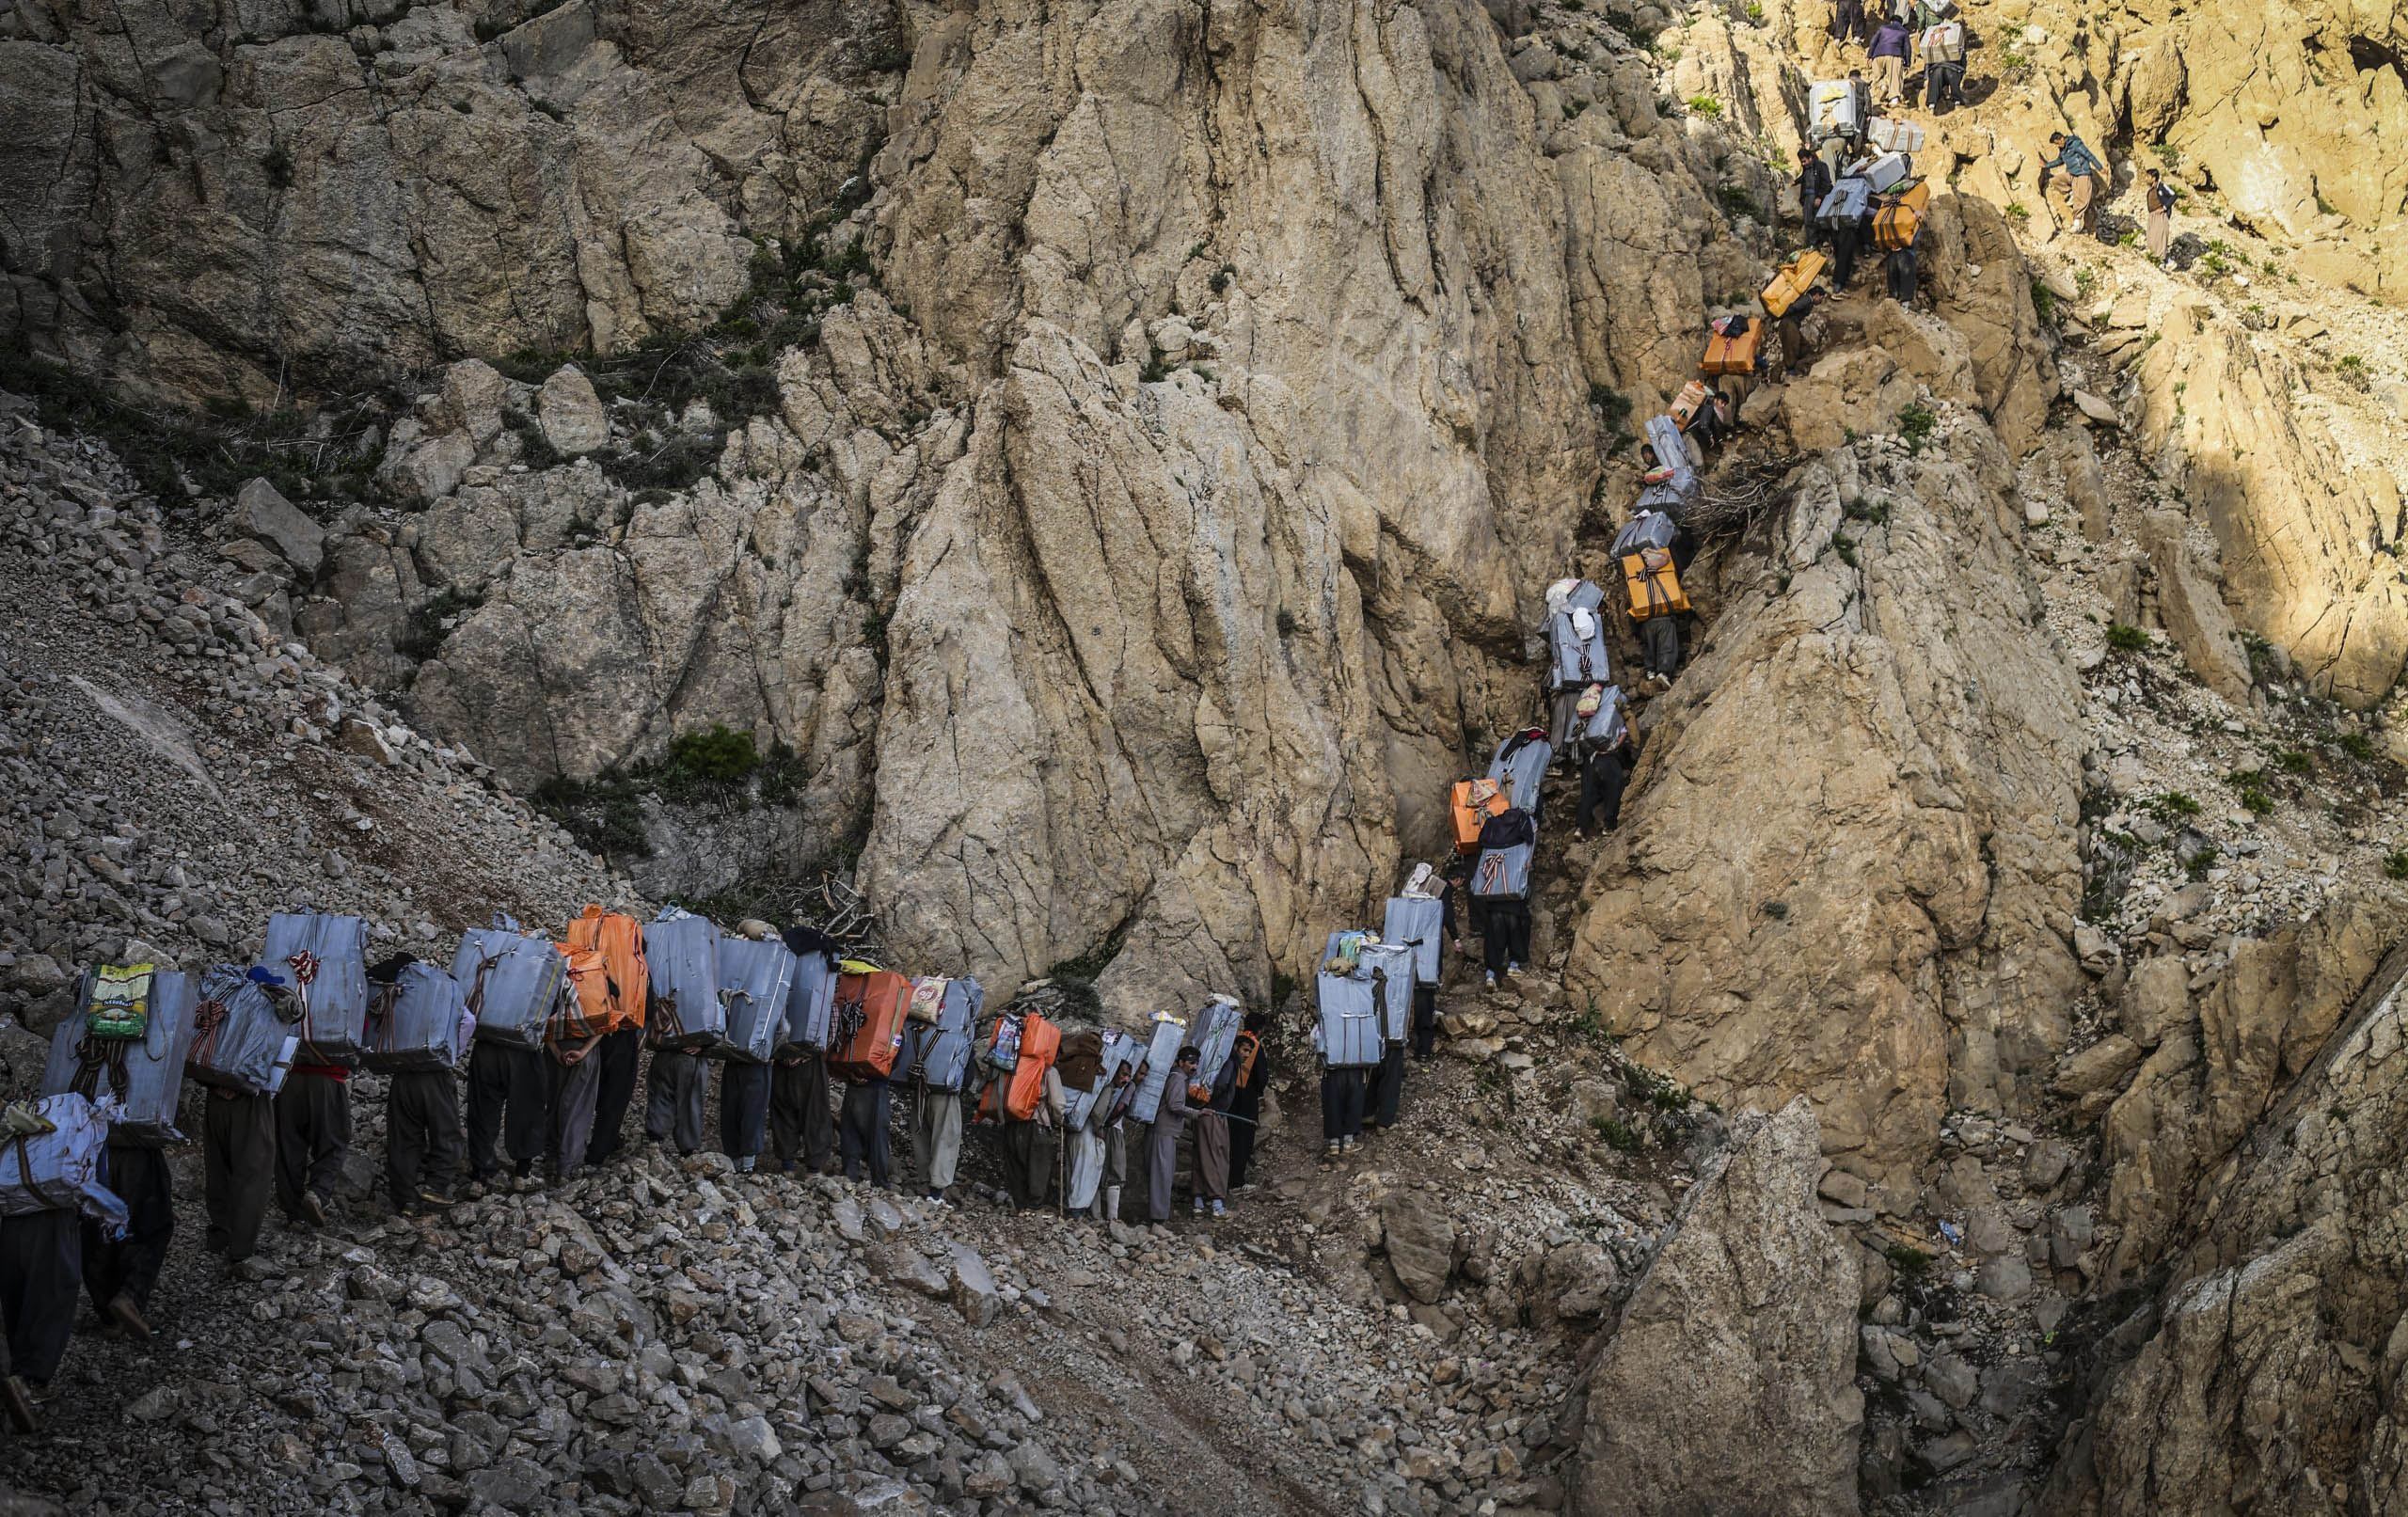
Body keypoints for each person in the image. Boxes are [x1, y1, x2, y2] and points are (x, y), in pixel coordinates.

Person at [385, 985, 470, 1215]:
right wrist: (453, 1052)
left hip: (402, 1075)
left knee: (404, 1137)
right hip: (435, 1075)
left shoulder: (400, 994)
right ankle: (436, 1186)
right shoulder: (447, 993)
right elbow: (468, 1022)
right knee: (446, 1131)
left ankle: (406, 1200)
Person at [769, 925, 839, 1177]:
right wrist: (809, 1051)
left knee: (782, 1110)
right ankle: (814, 1167)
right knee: (816, 1114)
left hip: (779, 1058)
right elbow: (830, 1028)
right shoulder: (822, 986)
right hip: (810, 1061)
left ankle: (786, 1163)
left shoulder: (779, 976)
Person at [84, 1142, 170, 1338]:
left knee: (96, 1227)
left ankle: (108, 1315)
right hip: (135, 1146)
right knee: (150, 1224)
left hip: (90, 1148)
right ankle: (130, 1296)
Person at [200, 1080, 273, 1273]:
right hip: (251, 1099)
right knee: (253, 1174)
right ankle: (241, 1249)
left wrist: (216, 1084)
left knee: (217, 1167)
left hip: (215, 1095)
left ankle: (219, 1236)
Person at [466, 1031, 550, 1193]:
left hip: (486, 1046)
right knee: (527, 1110)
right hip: (523, 1048)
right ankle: (523, 1174)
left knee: (482, 1112)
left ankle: (480, 1178)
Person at [276, 1050, 350, 1228]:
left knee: (287, 1148)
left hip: (287, 1079)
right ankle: (318, 1193)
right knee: (333, 1144)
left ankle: (294, 1214)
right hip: (328, 1079)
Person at [1146, 1047, 1200, 1225]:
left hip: (1163, 1130)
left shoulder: (1177, 1077)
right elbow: (1175, 1105)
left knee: (1161, 1172)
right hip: (1164, 1131)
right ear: (1181, 1062)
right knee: (1163, 1174)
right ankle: (1159, 1217)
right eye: (1191, 1062)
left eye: (1196, 1063)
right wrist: (1196, 1113)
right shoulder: (1177, 1079)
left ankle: (1158, 1214)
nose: (1194, 1066)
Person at [1004, 1062, 1067, 1209]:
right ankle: (1033, 1208)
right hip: (1036, 1124)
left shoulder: (1015, 1063)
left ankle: (1019, 1206)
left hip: (1011, 1123)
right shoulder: (1049, 1071)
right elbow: (1057, 1103)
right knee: (1038, 1169)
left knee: (1016, 1168)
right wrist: (1060, 1120)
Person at [549, 1022, 603, 1182]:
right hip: (585, 1049)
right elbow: (605, 1025)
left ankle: (551, 1159)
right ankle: (568, 1166)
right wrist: (584, 1051)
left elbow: (540, 1019)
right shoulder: (596, 995)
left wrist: (556, 1052)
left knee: (554, 1104)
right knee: (578, 1108)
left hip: (556, 1048)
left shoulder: (554, 995)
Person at [1575, 707, 1640, 840]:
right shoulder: (1618, 714)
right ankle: (1608, 826)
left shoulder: (1591, 709)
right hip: (1609, 758)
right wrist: (1612, 747)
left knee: (1587, 793)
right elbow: (1626, 734)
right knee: (1613, 792)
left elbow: (1580, 733)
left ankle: (1580, 828)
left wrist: (1593, 750)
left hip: (1591, 758)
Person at [1227, 1014, 1272, 1188]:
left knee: (1230, 1137)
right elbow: (1262, 1077)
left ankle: (1226, 1178)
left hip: (1229, 1098)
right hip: (1247, 1098)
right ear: (1260, 1030)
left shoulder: (1235, 1042)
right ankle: (1237, 1182)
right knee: (1243, 1139)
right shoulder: (1254, 1047)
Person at [1190, 1051, 1232, 1220]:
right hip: (1214, 1113)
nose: (1246, 1054)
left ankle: (1198, 1203)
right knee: (1216, 1156)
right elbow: (1221, 1085)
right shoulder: (1228, 1061)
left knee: (1200, 1153)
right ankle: (1217, 1204)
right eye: (1245, 1050)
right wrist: (1211, 1101)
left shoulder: (1209, 1055)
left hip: (1201, 1111)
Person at [644, 1041, 705, 1157]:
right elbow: (717, 1026)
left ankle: (654, 1140)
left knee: (660, 1096)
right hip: (691, 1055)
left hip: (663, 1051)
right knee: (689, 1103)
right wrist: (704, 1044)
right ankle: (688, 1149)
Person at [2040, 131, 2106, 237]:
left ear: (2062, 139)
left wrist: (2100, 168)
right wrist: (2046, 165)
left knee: (2082, 200)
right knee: (2055, 181)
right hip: (2072, 175)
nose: (2057, 146)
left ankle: (2077, 224)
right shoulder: (2063, 150)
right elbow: (2059, 161)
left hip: (2083, 174)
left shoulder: (2075, 144)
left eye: (2057, 143)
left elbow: (2089, 155)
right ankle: (2070, 193)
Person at [837, 1067, 894, 1189]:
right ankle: (880, 1183)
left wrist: (851, 1073)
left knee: (850, 1132)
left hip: (854, 1084)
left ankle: (849, 1176)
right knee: (877, 1136)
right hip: (876, 1086)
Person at [912, 1078, 964, 1205]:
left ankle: (924, 1184)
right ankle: (936, 1194)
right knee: (945, 1141)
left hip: (920, 1090)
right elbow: (967, 1076)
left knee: (921, 1138)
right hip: (947, 1093)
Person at [1778, 284, 1827, 378]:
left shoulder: (1809, 301)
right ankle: (1790, 370)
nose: (1821, 300)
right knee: (1792, 346)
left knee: (1804, 346)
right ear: (1816, 295)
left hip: (1793, 325)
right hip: (1789, 324)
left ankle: (1798, 367)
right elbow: (1794, 307)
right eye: (1821, 297)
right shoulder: (1806, 299)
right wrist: (1783, 316)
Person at [1868, 17, 1910, 106]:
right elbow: (1907, 48)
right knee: (1894, 77)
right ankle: (1894, 99)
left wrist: (1869, 56)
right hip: (1894, 54)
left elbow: (1873, 42)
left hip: (1878, 55)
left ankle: (1882, 87)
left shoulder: (1882, 28)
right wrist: (1907, 63)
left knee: (1878, 76)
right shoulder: (1904, 31)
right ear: (1901, 23)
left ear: (1891, 21)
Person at [1798, 155, 1834, 246]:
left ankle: (1826, 241)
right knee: (1808, 222)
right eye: (1802, 162)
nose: (1803, 164)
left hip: (1820, 197)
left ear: (1810, 158)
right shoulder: (1806, 169)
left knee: (1821, 220)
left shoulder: (1821, 166)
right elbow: (1803, 179)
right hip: (1808, 198)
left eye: (1804, 161)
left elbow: (1826, 183)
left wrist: (1820, 197)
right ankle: (1813, 244)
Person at [2145, 168, 2177, 265]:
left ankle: (2162, 261)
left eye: (2148, 177)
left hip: (2160, 216)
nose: (2146, 179)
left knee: (2160, 237)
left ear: (2154, 178)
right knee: (2152, 237)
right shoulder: (2151, 189)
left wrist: (2164, 207)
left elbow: (2174, 195)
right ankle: (2155, 258)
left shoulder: (2161, 186)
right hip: (2153, 216)